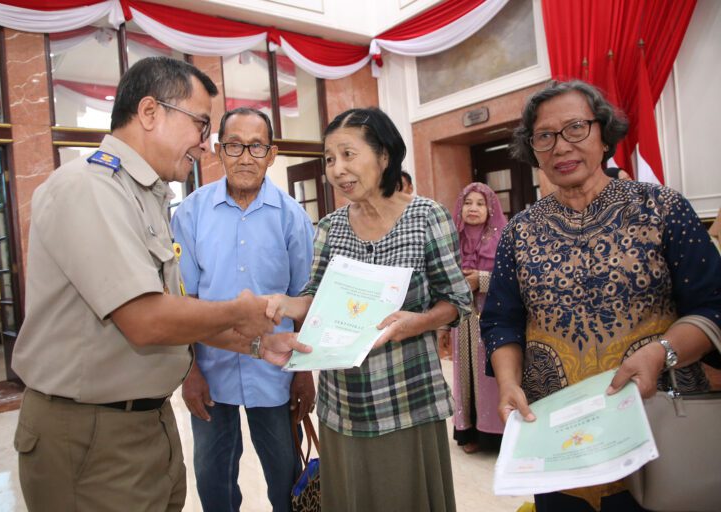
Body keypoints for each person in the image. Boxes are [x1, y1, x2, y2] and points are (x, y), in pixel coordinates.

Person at [11, 57, 310, 512]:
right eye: (201, 124)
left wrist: (255, 347)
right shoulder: (92, 189)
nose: (205, 145)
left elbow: (173, 311)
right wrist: (240, 313)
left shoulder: (146, 197)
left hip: (143, 423)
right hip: (91, 434)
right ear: (150, 112)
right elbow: (147, 320)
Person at [481, 80, 721, 512]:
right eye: (544, 136)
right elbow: (501, 320)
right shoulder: (519, 231)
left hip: (656, 424)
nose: (560, 146)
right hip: (556, 434)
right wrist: (508, 383)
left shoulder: (662, 208)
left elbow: (713, 305)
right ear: (532, 148)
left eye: (575, 128)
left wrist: (661, 352)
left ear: (604, 134)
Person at [267, 107, 472, 511]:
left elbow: (458, 301)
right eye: (329, 158)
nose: (337, 168)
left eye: (348, 154)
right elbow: (314, 298)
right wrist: (285, 303)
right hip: (344, 403)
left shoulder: (426, 217)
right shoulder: (329, 227)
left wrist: (421, 322)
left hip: (408, 396)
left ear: (383, 156)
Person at [171, 107, 315, 512]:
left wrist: (303, 375)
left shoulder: (292, 218)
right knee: (214, 482)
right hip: (210, 374)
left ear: (272, 154)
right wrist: (191, 371)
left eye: (257, 146)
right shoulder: (191, 213)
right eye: (235, 145)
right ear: (219, 150)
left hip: (277, 373)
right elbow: (184, 304)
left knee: (286, 479)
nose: (246, 156)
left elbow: (305, 299)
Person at [438, 182, 507, 454]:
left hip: (494, 316)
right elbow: (442, 283)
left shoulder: (502, 237)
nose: (473, 208)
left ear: (490, 208)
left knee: (492, 376)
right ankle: (470, 432)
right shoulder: (453, 240)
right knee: (466, 375)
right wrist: (443, 325)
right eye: (468, 203)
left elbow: (512, 278)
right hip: (463, 319)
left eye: (480, 203)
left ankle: (497, 433)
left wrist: (482, 279)